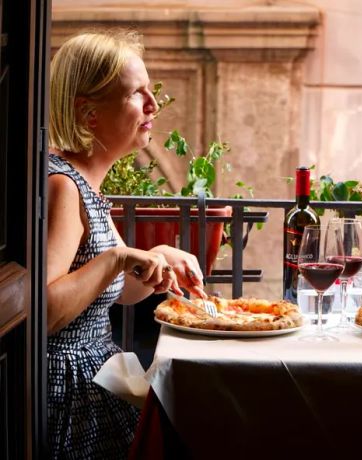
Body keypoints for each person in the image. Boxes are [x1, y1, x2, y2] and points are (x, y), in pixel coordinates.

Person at [47, 30, 207, 458]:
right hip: (69, 399)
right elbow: (45, 310)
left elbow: (115, 290)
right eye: (137, 94)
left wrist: (155, 259)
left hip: (98, 382)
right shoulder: (63, 186)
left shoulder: (83, 181)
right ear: (89, 113)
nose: (154, 105)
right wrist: (118, 257)